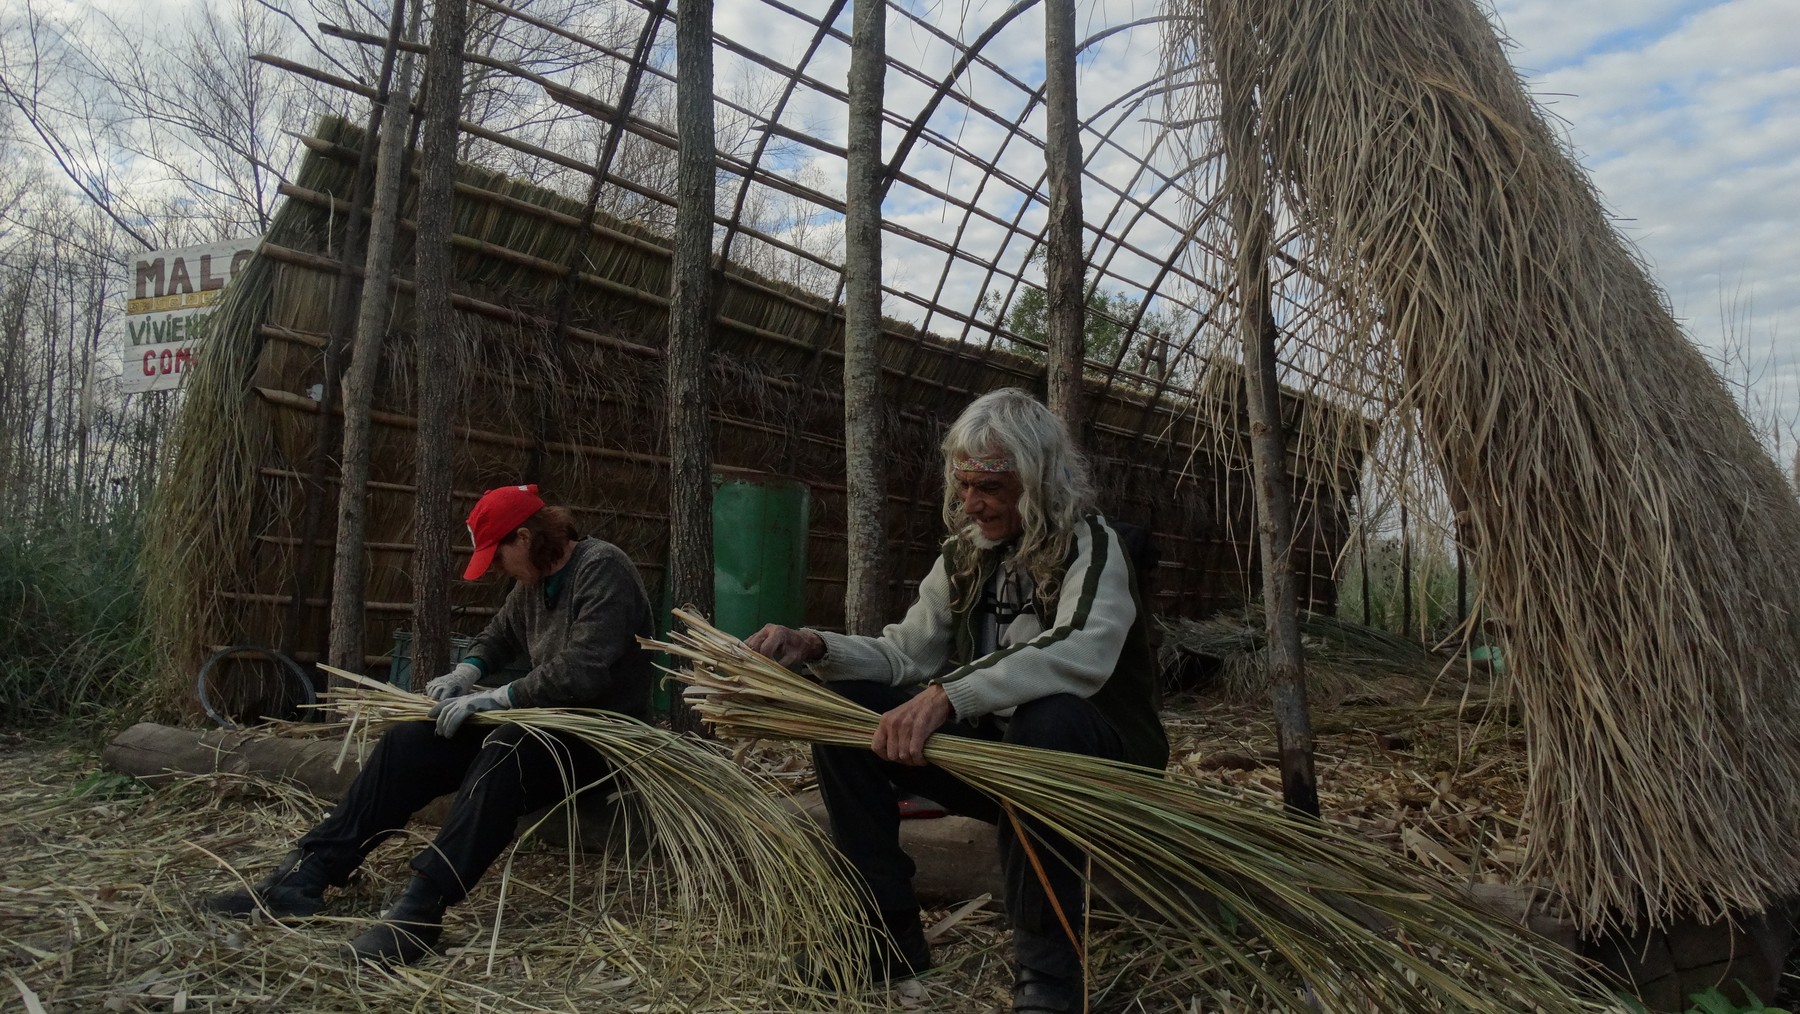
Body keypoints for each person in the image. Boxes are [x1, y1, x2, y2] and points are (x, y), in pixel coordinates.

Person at [747, 389, 1168, 1014]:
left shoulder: (1094, 547)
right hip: (1001, 765)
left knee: (1048, 716)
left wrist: (949, 696)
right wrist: (813, 646)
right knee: (849, 708)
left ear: (1038, 479)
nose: (973, 501)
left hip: (1092, 769)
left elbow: (1081, 649)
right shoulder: (965, 556)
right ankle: (881, 936)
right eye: (965, 484)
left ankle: (1050, 974)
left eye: (992, 486)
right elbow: (906, 653)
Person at [204, 484, 656, 965]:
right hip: (542, 719)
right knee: (410, 741)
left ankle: (420, 910)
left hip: (599, 736)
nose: (497, 569)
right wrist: (469, 671)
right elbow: (498, 635)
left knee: (506, 749)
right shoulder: (533, 582)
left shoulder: (600, 567)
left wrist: (499, 697)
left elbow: (584, 669)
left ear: (524, 538)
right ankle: (307, 873)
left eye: (498, 556)